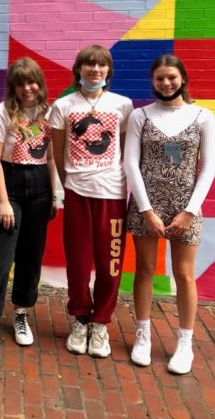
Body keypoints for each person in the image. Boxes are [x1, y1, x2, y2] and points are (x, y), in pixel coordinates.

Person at [124, 55, 214, 374]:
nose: (166, 83)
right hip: (146, 206)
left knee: (184, 274)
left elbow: (209, 167)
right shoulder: (140, 116)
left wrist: (189, 212)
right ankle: (143, 335)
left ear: (183, 79)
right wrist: (146, 211)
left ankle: (185, 343)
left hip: (185, 207)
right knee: (146, 269)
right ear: (153, 81)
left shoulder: (203, 116)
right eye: (160, 78)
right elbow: (131, 164)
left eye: (172, 77)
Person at [49, 45, 133, 358]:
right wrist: (67, 185)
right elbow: (57, 154)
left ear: (108, 71)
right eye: (89, 64)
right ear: (79, 69)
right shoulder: (63, 106)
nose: (95, 70)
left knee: (110, 265)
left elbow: (126, 151)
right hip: (78, 193)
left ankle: (101, 323)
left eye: (101, 65)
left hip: (111, 194)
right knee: (79, 263)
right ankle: (81, 318)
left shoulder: (123, 105)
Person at [0, 58, 58, 352]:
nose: (27, 88)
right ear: (13, 86)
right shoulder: (1, 113)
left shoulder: (48, 113)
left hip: (39, 186)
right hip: (8, 183)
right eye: (21, 83)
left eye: (32, 81)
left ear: (40, 83)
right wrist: (2, 202)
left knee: (31, 254)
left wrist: (54, 194)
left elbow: (50, 158)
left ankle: (22, 312)